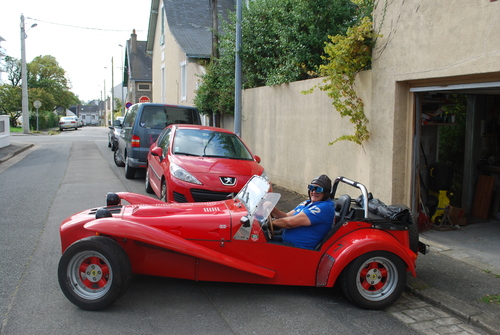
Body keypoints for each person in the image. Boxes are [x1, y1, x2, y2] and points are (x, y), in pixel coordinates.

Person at [271, 175, 335, 250]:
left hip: (299, 249)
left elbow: (290, 223)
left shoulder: (324, 207)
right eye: (311, 188)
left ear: (326, 192)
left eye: (318, 189)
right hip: (286, 242)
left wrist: (270, 223)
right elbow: (285, 217)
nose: (313, 192)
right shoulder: (308, 202)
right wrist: (271, 208)